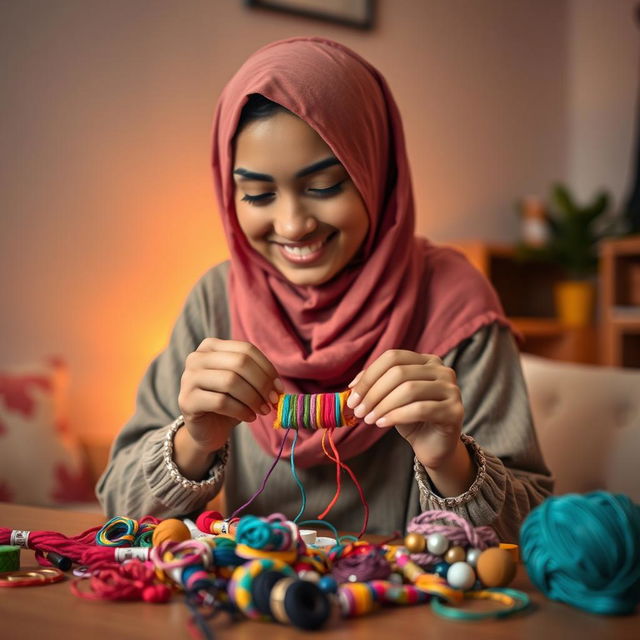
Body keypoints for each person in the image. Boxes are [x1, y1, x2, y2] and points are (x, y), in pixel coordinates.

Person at [97, 37, 553, 542]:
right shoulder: (216, 299)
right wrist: (195, 440)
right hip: (254, 605)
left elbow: (532, 533)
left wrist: (452, 461)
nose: (292, 225)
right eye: (257, 194)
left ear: (376, 171)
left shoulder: (454, 301)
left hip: (412, 612)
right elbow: (118, 510)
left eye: (324, 186)